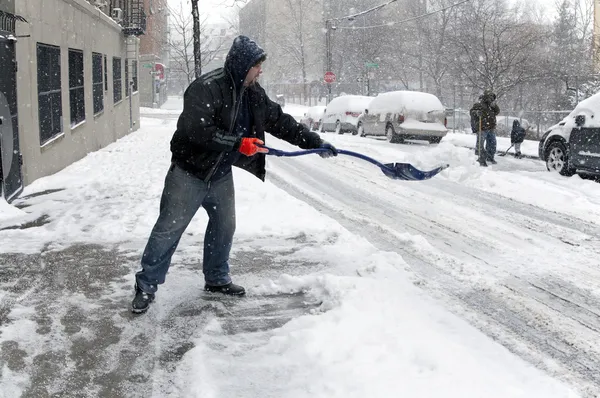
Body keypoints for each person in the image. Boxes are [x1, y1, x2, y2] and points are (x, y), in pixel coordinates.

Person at [131, 36, 338, 314]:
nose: (260, 71)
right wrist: (238, 144)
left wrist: (314, 142)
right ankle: (146, 285)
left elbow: (279, 120)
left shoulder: (252, 92)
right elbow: (197, 131)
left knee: (224, 226)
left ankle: (216, 279)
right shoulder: (205, 88)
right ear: (244, 66)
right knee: (169, 229)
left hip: (220, 175)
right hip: (189, 173)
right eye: (257, 66)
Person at [470, 89, 500, 167]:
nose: (492, 99)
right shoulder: (479, 104)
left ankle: (490, 157)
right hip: (482, 128)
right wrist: (476, 112)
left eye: (493, 98)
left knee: (492, 143)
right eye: (490, 97)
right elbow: (471, 112)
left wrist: (494, 105)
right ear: (486, 97)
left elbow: (497, 112)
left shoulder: (491, 105)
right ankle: (480, 159)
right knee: (480, 144)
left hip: (491, 128)